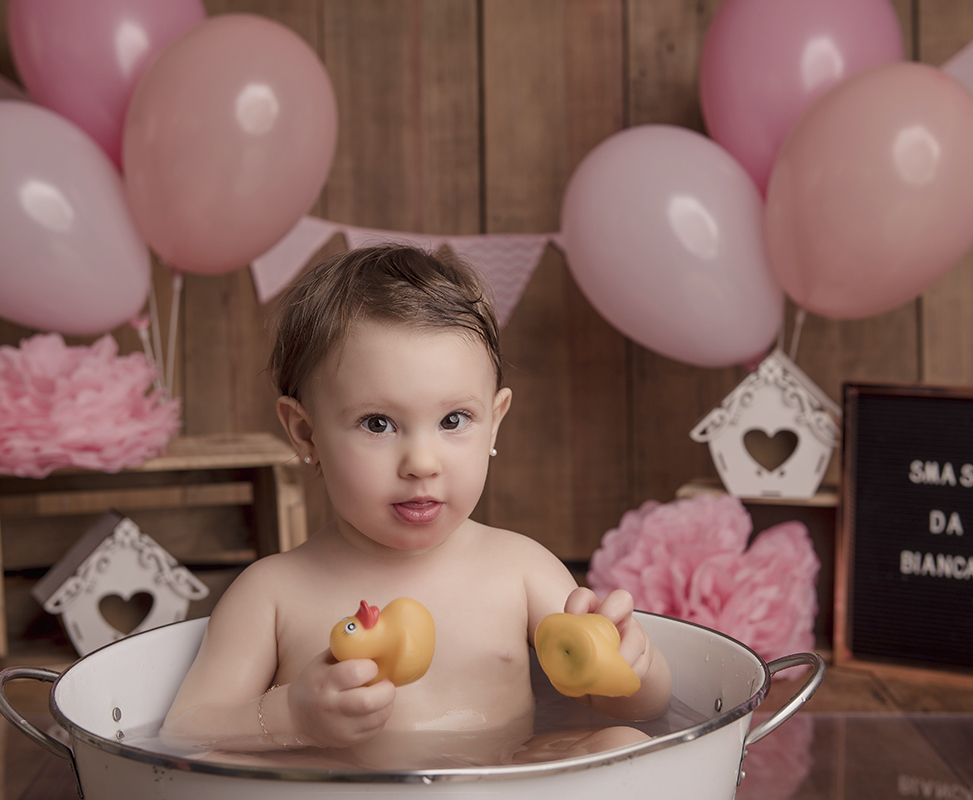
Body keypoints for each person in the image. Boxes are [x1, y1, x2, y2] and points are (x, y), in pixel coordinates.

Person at [161, 245, 671, 762]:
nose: (422, 463)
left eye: (454, 420)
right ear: (305, 432)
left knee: (626, 747)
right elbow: (183, 732)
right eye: (378, 423)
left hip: (505, 780)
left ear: (494, 421)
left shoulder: (521, 568)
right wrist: (293, 716)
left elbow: (632, 708)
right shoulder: (272, 593)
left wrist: (633, 663)